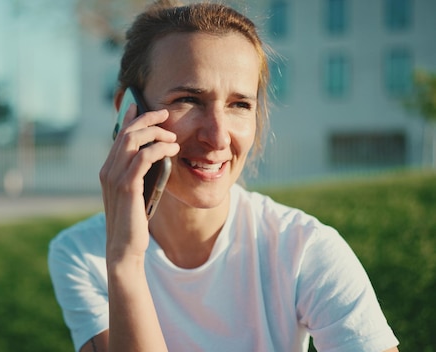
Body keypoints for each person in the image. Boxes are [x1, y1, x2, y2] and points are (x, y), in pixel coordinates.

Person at [48, 1, 400, 351]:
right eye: (188, 99)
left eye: (239, 105)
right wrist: (125, 263)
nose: (217, 137)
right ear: (129, 111)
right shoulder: (82, 254)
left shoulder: (304, 249)